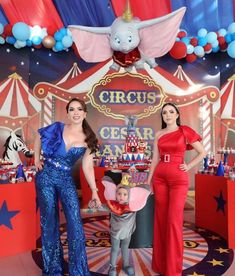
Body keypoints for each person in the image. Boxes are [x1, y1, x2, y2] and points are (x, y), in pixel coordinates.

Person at [34, 98, 101, 276]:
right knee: (49, 223)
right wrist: (36, 159)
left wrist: (95, 191)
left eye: (79, 109)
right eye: (72, 109)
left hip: (65, 179)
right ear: (68, 113)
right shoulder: (58, 127)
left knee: (75, 223)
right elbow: (38, 137)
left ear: (85, 113)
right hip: (46, 177)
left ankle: (78, 270)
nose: (75, 112)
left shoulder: (90, 139)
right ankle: (52, 269)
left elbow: (87, 166)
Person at [147, 102, 206, 276]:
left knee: (173, 221)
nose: (168, 115)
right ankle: (160, 265)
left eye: (171, 112)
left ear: (177, 114)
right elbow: (154, 159)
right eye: (164, 113)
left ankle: (172, 269)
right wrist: (148, 181)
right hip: (159, 179)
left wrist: (188, 165)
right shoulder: (158, 134)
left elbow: (202, 152)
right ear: (162, 116)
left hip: (178, 180)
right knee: (160, 220)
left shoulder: (184, 131)